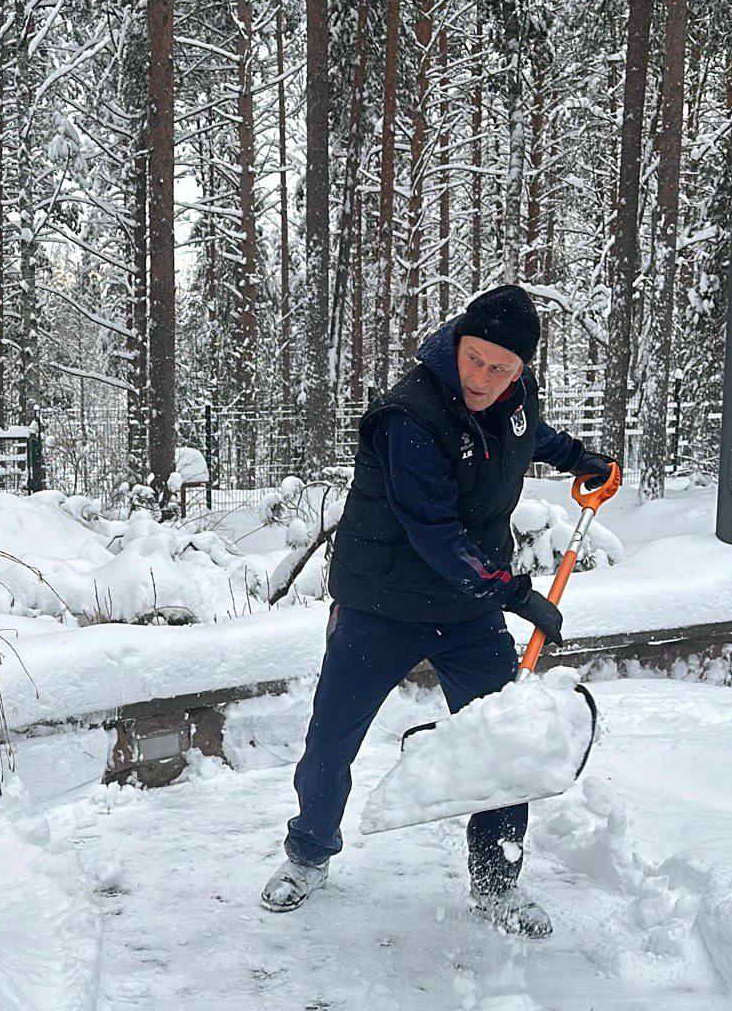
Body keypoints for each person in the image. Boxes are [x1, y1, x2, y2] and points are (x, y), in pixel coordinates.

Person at [260, 285, 616, 936]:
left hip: (467, 610)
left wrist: (576, 456)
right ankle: (308, 854)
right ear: (457, 344)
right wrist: (515, 593)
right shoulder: (409, 417)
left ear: (521, 371)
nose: (484, 378)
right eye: (476, 360)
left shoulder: (513, 396)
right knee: (331, 742)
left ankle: (496, 884)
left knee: (504, 747)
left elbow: (522, 433)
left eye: (501, 368)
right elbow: (434, 532)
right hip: (380, 605)